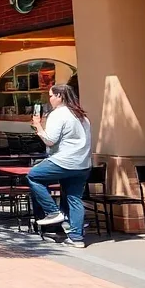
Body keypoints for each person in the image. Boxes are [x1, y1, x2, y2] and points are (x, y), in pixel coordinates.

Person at [27, 83, 93, 248]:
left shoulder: (58, 114)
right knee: (74, 198)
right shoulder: (81, 115)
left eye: (51, 96)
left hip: (63, 161)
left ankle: (52, 212)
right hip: (83, 164)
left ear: (59, 96)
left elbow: (50, 140)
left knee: (33, 176)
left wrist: (38, 126)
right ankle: (76, 238)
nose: (49, 99)